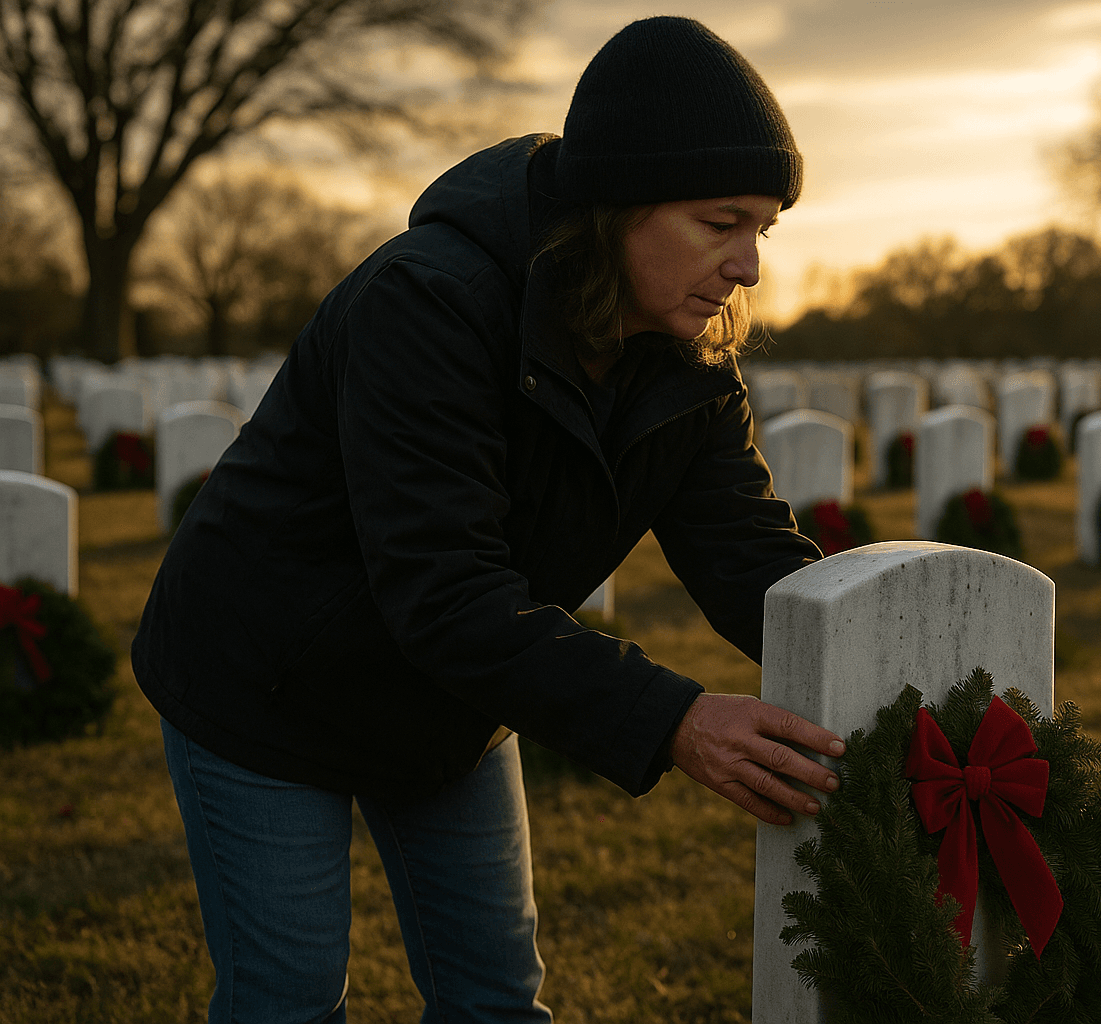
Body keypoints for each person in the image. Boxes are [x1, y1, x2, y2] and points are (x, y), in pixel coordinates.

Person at [132, 16, 844, 1022]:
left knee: (496, 999)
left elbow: (751, 560)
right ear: (619, 202)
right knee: (289, 997)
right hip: (267, 680)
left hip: (452, 697)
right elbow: (444, 589)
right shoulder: (430, 301)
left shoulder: (689, 367)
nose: (748, 268)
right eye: (719, 222)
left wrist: (898, 672)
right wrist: (675, 721)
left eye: (762, 230)